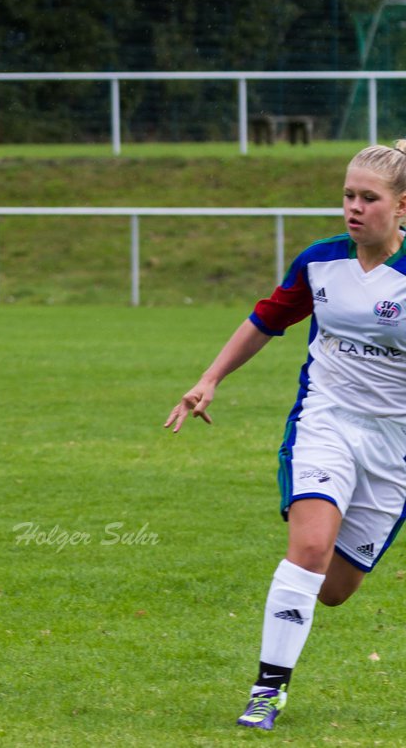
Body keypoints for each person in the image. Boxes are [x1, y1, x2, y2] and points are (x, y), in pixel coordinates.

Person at [165, 141, 406, 732]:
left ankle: (299, 603)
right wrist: (209, 379)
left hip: (395, 447)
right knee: (309, 547)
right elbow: (266, 319)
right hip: (325, 423)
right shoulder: (320, 262)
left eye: (368, 198)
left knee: (334, 590)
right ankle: (267, 692)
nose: (353, 208)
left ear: (403, 207)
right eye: (348, 195)